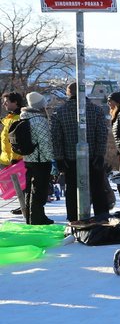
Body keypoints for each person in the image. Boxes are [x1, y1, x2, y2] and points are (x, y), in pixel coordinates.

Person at [50, 82, 109, 222]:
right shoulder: (96, 110)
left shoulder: (59, 112)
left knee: (71, 190)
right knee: (97, 189)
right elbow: (102, 134)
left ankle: (73, 219)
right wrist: (100, 154)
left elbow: (56, 138)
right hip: (93, 157)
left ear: (68, 94)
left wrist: (59, 158)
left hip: (70, 158)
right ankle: (102, 218)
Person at [19, 92, 55, 225]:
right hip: (41, 160)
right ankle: (37, 218)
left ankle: (31, 216)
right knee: (39, 190)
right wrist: (52, 160)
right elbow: (45, 143)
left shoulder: (24, 117)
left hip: (28, 158)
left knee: (30, 189)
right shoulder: (39, 120)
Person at [1, 92, 25, 168]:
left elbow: (18, 140)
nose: (4, 104)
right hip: (5, 159)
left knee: (15, 180)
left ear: (15, 102)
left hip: (14, 161)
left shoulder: (19, 118)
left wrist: (14, 159)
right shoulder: (11, 117)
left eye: (6, 102)